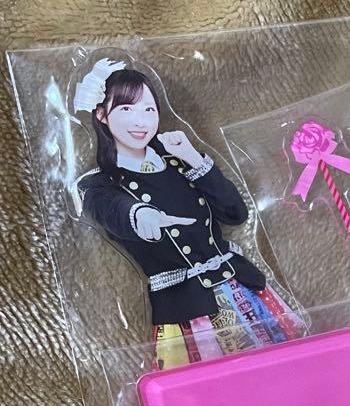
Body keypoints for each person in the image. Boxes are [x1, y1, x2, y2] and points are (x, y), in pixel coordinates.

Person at [73, 57, 302, 369]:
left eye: (149, 110)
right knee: (213, 384)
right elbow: (111, 210)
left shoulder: (178, 161)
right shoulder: (98, 184)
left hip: (238, 286)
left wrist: (191, 156)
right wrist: (141, 215)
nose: (141, 121)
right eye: (126, 109)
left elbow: (235, 213)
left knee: (285, 367)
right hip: (187, 308)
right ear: (102, 115)